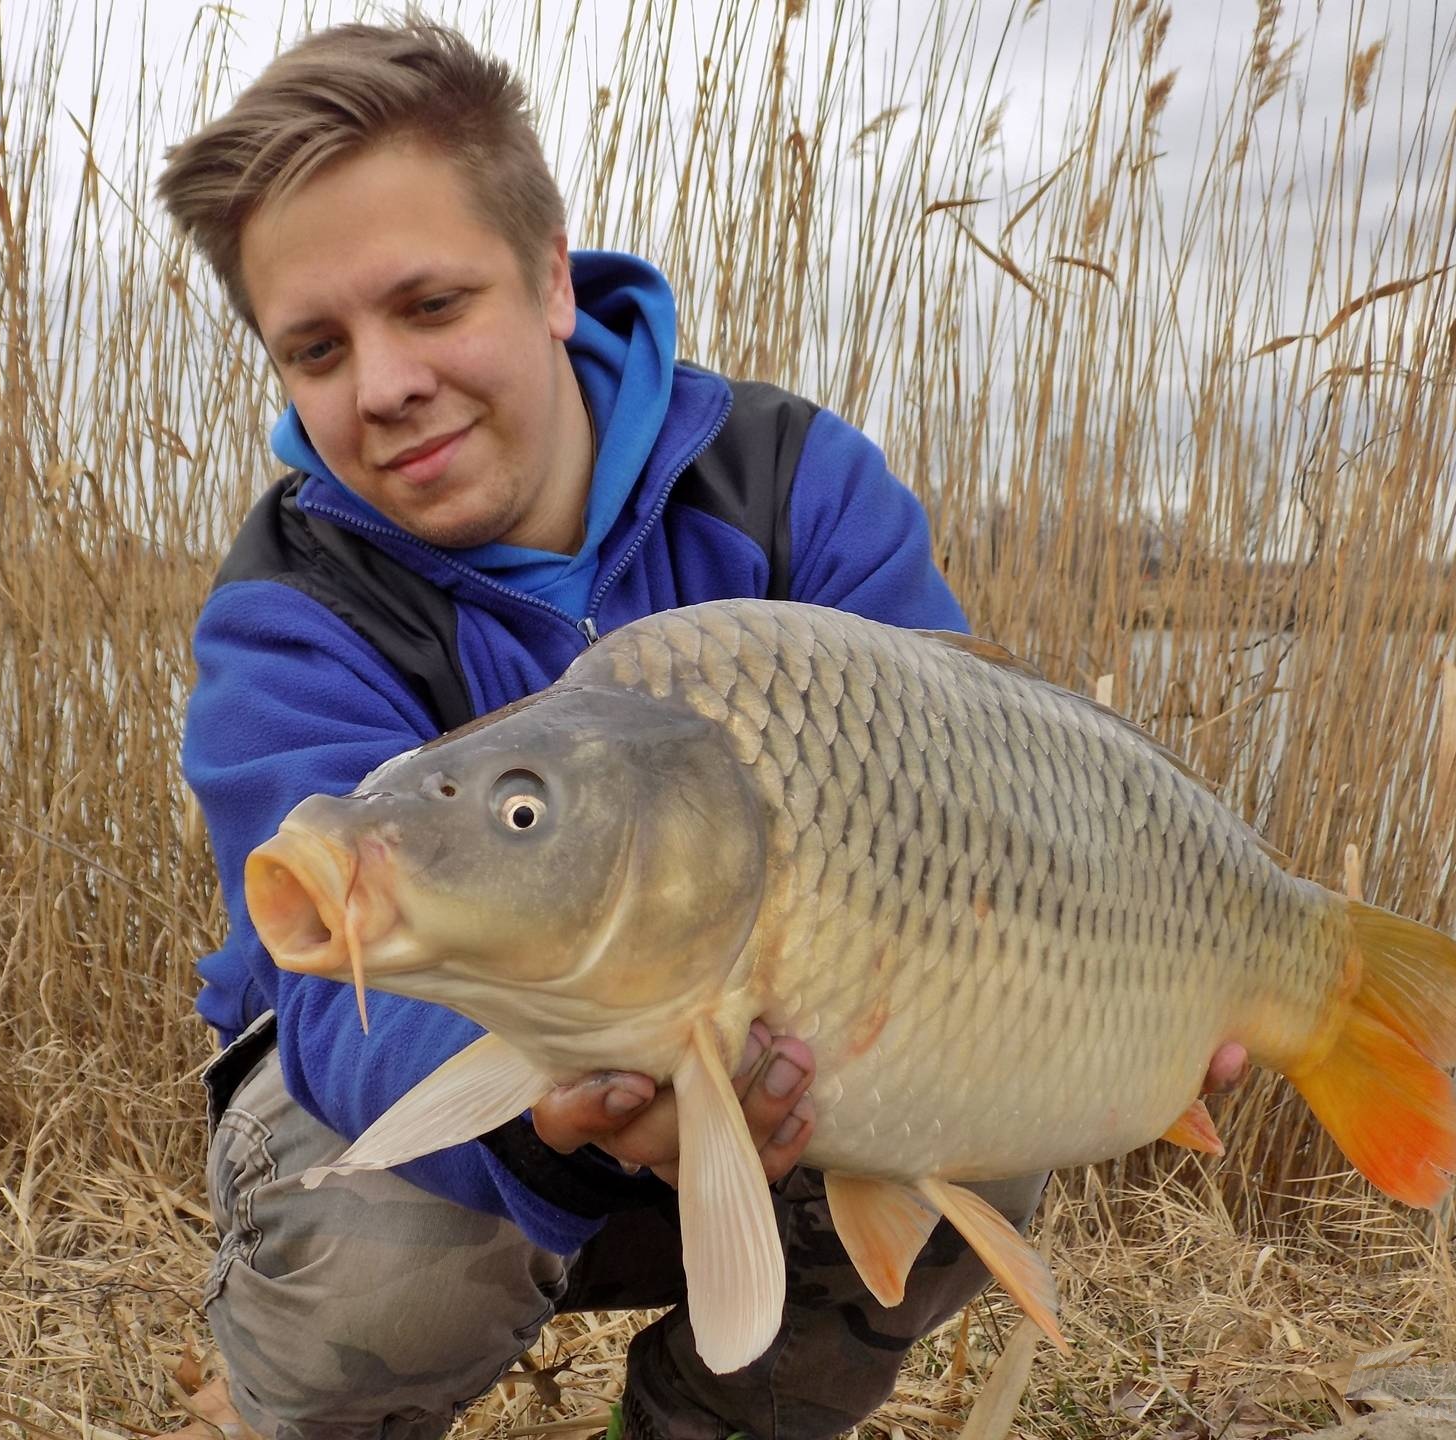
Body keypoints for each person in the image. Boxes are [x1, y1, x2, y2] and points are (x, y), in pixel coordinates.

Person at [153, 19, 1248, 1440]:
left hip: (790, 1075)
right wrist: (560, 1107)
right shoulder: (288, 614)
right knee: (381, 1250)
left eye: (430, 304)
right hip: (429, 1116)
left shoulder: (792, 482)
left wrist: (1141, 998)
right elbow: (330, 1007)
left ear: (553, 275)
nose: (381, 384)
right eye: (315, 347)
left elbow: (990, 805)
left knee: (970, 1148)